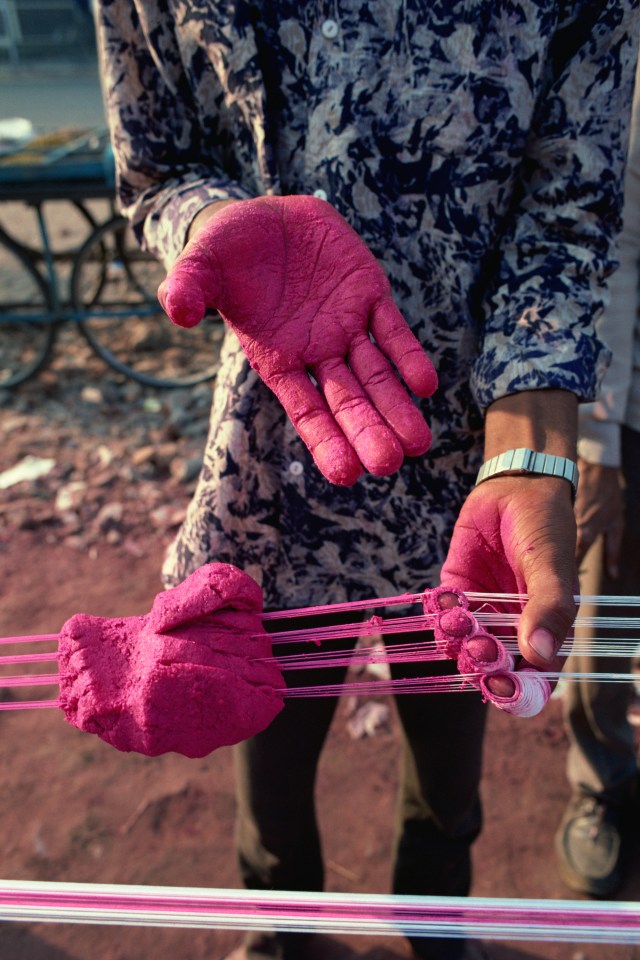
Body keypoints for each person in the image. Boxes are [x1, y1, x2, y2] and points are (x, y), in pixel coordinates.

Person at [93, 3, 639, 958]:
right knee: (268, 750)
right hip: (278, 448)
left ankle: (436, 933)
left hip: (471, 475)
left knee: (448, 764)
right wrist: (216, 220)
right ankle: (283, 937)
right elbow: (155, 170)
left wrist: (532, 446)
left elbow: (566, 206)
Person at [555, 58, 640, 900]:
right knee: (608, 611)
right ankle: (602, 786)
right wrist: (602, 443)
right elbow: (616, 255)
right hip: (635, 413)